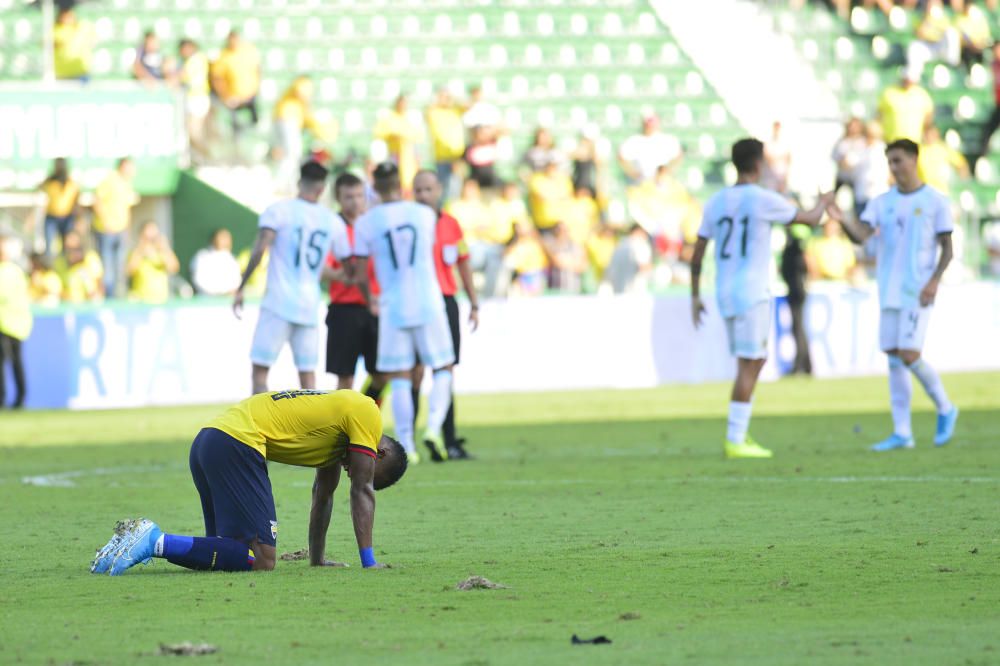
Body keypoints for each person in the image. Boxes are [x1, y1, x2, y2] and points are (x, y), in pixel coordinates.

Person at [90, 389, 408, 575]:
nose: (356, 472)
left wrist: (318, 560)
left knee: (233, 556)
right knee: (264, 560)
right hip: (236, 442)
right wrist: (369, 563)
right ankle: (153, 541)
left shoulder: (335, 440)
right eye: (363, 469)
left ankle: (130, 543)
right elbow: (362, 490)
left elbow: (323, 496)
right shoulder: (367, 411)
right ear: (378, 453)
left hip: (209, 441)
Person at [690, 138, 835, 459]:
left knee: (751, 360)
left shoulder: (715, 202)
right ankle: (736, 438)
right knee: (751, 361)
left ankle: (738, 435)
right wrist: (825, 202)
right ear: (758, 164)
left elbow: (698, 252)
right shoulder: (763, 199)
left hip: (724, 291)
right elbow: (811, 219)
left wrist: (695, 296)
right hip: (752, 291)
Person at [830, 139, 959, 451]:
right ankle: (903, 432)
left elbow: (947, 248)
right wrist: (843, 218)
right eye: (890, 162)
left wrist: (934, 281)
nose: (894, 167)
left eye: (898, 160)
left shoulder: (935, 201)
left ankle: (945, 407)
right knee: (893, 356)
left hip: (917, 290)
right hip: (888, 289)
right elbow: (861, 236)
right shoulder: (882, 202)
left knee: (910, 354)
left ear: (914, 159)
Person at [350, 162, 457, 464]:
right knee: (443, 367)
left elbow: (359, 272)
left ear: (375, 186)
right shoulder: (424, 214)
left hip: (393, 305)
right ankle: (434, 428)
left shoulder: (366, 223)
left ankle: (408, 445)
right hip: (428, 299)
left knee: (398, 376)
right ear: (400, 184)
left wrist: (369, 298)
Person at [233, 161, 350, 394]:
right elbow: (347, 267)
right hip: (308, 305)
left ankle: (260, 428)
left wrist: (241, 286)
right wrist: (333, 275)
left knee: (260, 372)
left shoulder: (279, 211)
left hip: (278, 302)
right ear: (321, 188)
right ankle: (313, 429)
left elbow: (260, 249)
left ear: (299, 182)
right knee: (307, 377)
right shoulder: (332, 221)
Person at [412, 170, 480, 460]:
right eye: (418, 190)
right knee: (413, 372)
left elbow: (463, 263)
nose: (424, 195)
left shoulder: (451, 224)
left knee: (446, 370)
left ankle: (448, 440)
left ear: (439, 189)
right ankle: (409, 442)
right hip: (416, 302)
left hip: (447, 300)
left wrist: (474, 302)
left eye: (428, 189)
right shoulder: (410, 223)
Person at [324, 173, 385, 403]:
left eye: (360, 195)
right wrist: (345, 276)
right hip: (345, 308)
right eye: (349, 196)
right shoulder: (334, 228)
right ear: (339, 198)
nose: (356, 201)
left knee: (383, 374)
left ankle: (366, 413)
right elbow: (324, 268)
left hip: (375, 308)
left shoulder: (372, 226)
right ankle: (342, 429)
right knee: (345, 378)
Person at [272, 77, 336, 192]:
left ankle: (286, 185)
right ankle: (283, 185)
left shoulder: (298, 101)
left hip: (287, 120)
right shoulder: (303, 82)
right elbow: (301, 93)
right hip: (288, 119)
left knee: (291, 154)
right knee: (292, 153)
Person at [92, 157, 138, 298]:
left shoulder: (126, 184)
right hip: (106, 230)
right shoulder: (110, 180)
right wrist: (105, 222)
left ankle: (119, 295)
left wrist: (127, 229)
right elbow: (97, 200)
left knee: (119, 266)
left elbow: (127, 208)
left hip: (120, 230)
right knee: (108, 267)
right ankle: (109, 297)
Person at [0, 235, 32, 410]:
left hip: (6, 323)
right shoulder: (16, 271)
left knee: (5, 365)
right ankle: (20, 398)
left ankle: (4, 399)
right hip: (19, 323)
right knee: (17, 363)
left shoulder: (5, 271)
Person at [211, 30, 261, 138]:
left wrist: (255, 89)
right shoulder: (224, 55)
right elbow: (217, 78)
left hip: (250, 95)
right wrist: (225, 96)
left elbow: (257, 70)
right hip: (233, 98)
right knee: (234, 127)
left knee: (255, 123)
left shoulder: (249, 50)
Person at [373, 94, 422, 195]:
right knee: (395, 178)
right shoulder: (390, 117)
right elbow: (378, 132)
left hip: (409, 155)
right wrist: (392, 136)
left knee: (409, 180)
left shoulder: (410, 118)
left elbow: (417, 136)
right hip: (395, 153)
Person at [780, 224, 812, 375]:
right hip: (796, 290)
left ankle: (801, 364)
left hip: (797, 291)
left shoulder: (795, 250)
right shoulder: (796, 250)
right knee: (798, 328)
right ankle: (805, 364)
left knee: (798, 328)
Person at [617, 112, 682, 185]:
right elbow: (621, 157)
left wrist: (667, 172)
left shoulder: (667, 140)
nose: (650, 126)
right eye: (648, 122)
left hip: (662, 184)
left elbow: (678, 156)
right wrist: (633, 173)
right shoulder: (635, 141)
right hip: (641, 184)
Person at [425, 87, 466, 202]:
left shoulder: (455, 110)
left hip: (457, 158)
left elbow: (468, 105)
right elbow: (427, 110)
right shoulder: (434, 112)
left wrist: (453, 97)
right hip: (442, 158)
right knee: (443, 191)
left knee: (456, 190)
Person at [877, 67, 934, 144]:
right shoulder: (889, 92)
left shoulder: (922, 95)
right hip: (891, 141)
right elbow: (879, 115)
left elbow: (928, 118)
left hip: (914, 142)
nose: (908, 81)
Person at [126, 221, 180, 304]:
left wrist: (165, 248)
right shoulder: (135, 253)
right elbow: (129, 271)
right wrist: (140, 249)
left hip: (160, 299)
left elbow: (174, 268)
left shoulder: (162, 252)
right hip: (140, 300)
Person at [178, 39, 212, 163]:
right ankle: (200, 157)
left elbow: (182, 76)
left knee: (194, 132)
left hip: (198, 99)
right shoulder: (195, 60)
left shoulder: (196, 60)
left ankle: (206, 156)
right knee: (191, 132)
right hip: (194, 99)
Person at [39, 158, 80, 256]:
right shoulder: (50, 181)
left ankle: (64, 266)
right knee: (49, 245)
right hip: (51, 217)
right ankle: (49, 267)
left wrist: (78, 219)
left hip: (67, 217)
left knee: (67, 246)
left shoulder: (70, 183)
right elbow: (40, 187)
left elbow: (76, 201)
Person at [918, 125, 969, 195]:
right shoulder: (919, 150)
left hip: (941, 191)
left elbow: (960, 163)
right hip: (924, 191)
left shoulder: (943, 148)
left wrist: (964, 178)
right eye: (927, 134)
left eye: (932, 134)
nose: (930, 137)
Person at [54, 230, 104, 303]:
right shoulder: (60, 262)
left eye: (76, 249)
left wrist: (96, 294)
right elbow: (58, 287)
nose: (72, 253)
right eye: (69, 249)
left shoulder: (90, 258)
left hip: (89, 300)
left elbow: (99, 281)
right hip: (69, 301)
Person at [527, 158, 573, 234]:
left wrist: (550, 198)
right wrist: (557, 198)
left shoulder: (563, 179)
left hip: (561, 221)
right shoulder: (537, 179)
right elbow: (539, 198)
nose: (552, 169)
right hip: (544, 222)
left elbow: (568, 196)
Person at [191, 228, 241, 296]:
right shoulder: (202, 256)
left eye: (227, 238)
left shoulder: (232, 259)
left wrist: (229, 292)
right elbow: (199, 281)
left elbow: (236, 281)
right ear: (213, 239)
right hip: (206, 300)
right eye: (222, 238)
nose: (225, 241)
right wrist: (220, 292)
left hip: (228, 300)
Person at [52, 7, 95, 82]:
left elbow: (94, 39)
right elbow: (47, 44)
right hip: (61, 74)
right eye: (64, 15)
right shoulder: (55, 29)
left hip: (81, 73)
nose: (67, 18)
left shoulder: (83, 26)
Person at [832, 117, 867, 200]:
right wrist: (841, 162)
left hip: (855, 177)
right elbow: (834, 156)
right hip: (842, 175)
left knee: (857, 199)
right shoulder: (842, 141)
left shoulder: (863, 141)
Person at [977, 42, 1000, 163]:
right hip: (999, 104)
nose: (996, 52)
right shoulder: (994, 64)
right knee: (988, 129)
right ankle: (983, 155)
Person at [761, 120, 792, 194]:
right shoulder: (768, 144)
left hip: (781, 180)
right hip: (769, 180)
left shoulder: (785, 144)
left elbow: (788, 161)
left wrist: (784, 180)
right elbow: (768, 159)